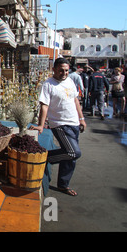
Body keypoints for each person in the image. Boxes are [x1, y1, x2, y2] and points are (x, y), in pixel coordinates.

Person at [31, 58, 85, 197]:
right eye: (61, 70)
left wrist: (81, 119)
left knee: (70, 157)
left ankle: (63, 184)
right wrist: (41, 125)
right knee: (74, 152)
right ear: (54, 69)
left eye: (66, 70)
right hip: (59, 124)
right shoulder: (48, 84)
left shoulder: (70, 81)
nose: (64, 73)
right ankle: (46, 158)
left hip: (73, 123)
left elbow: (75, 100)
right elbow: (44, 105)